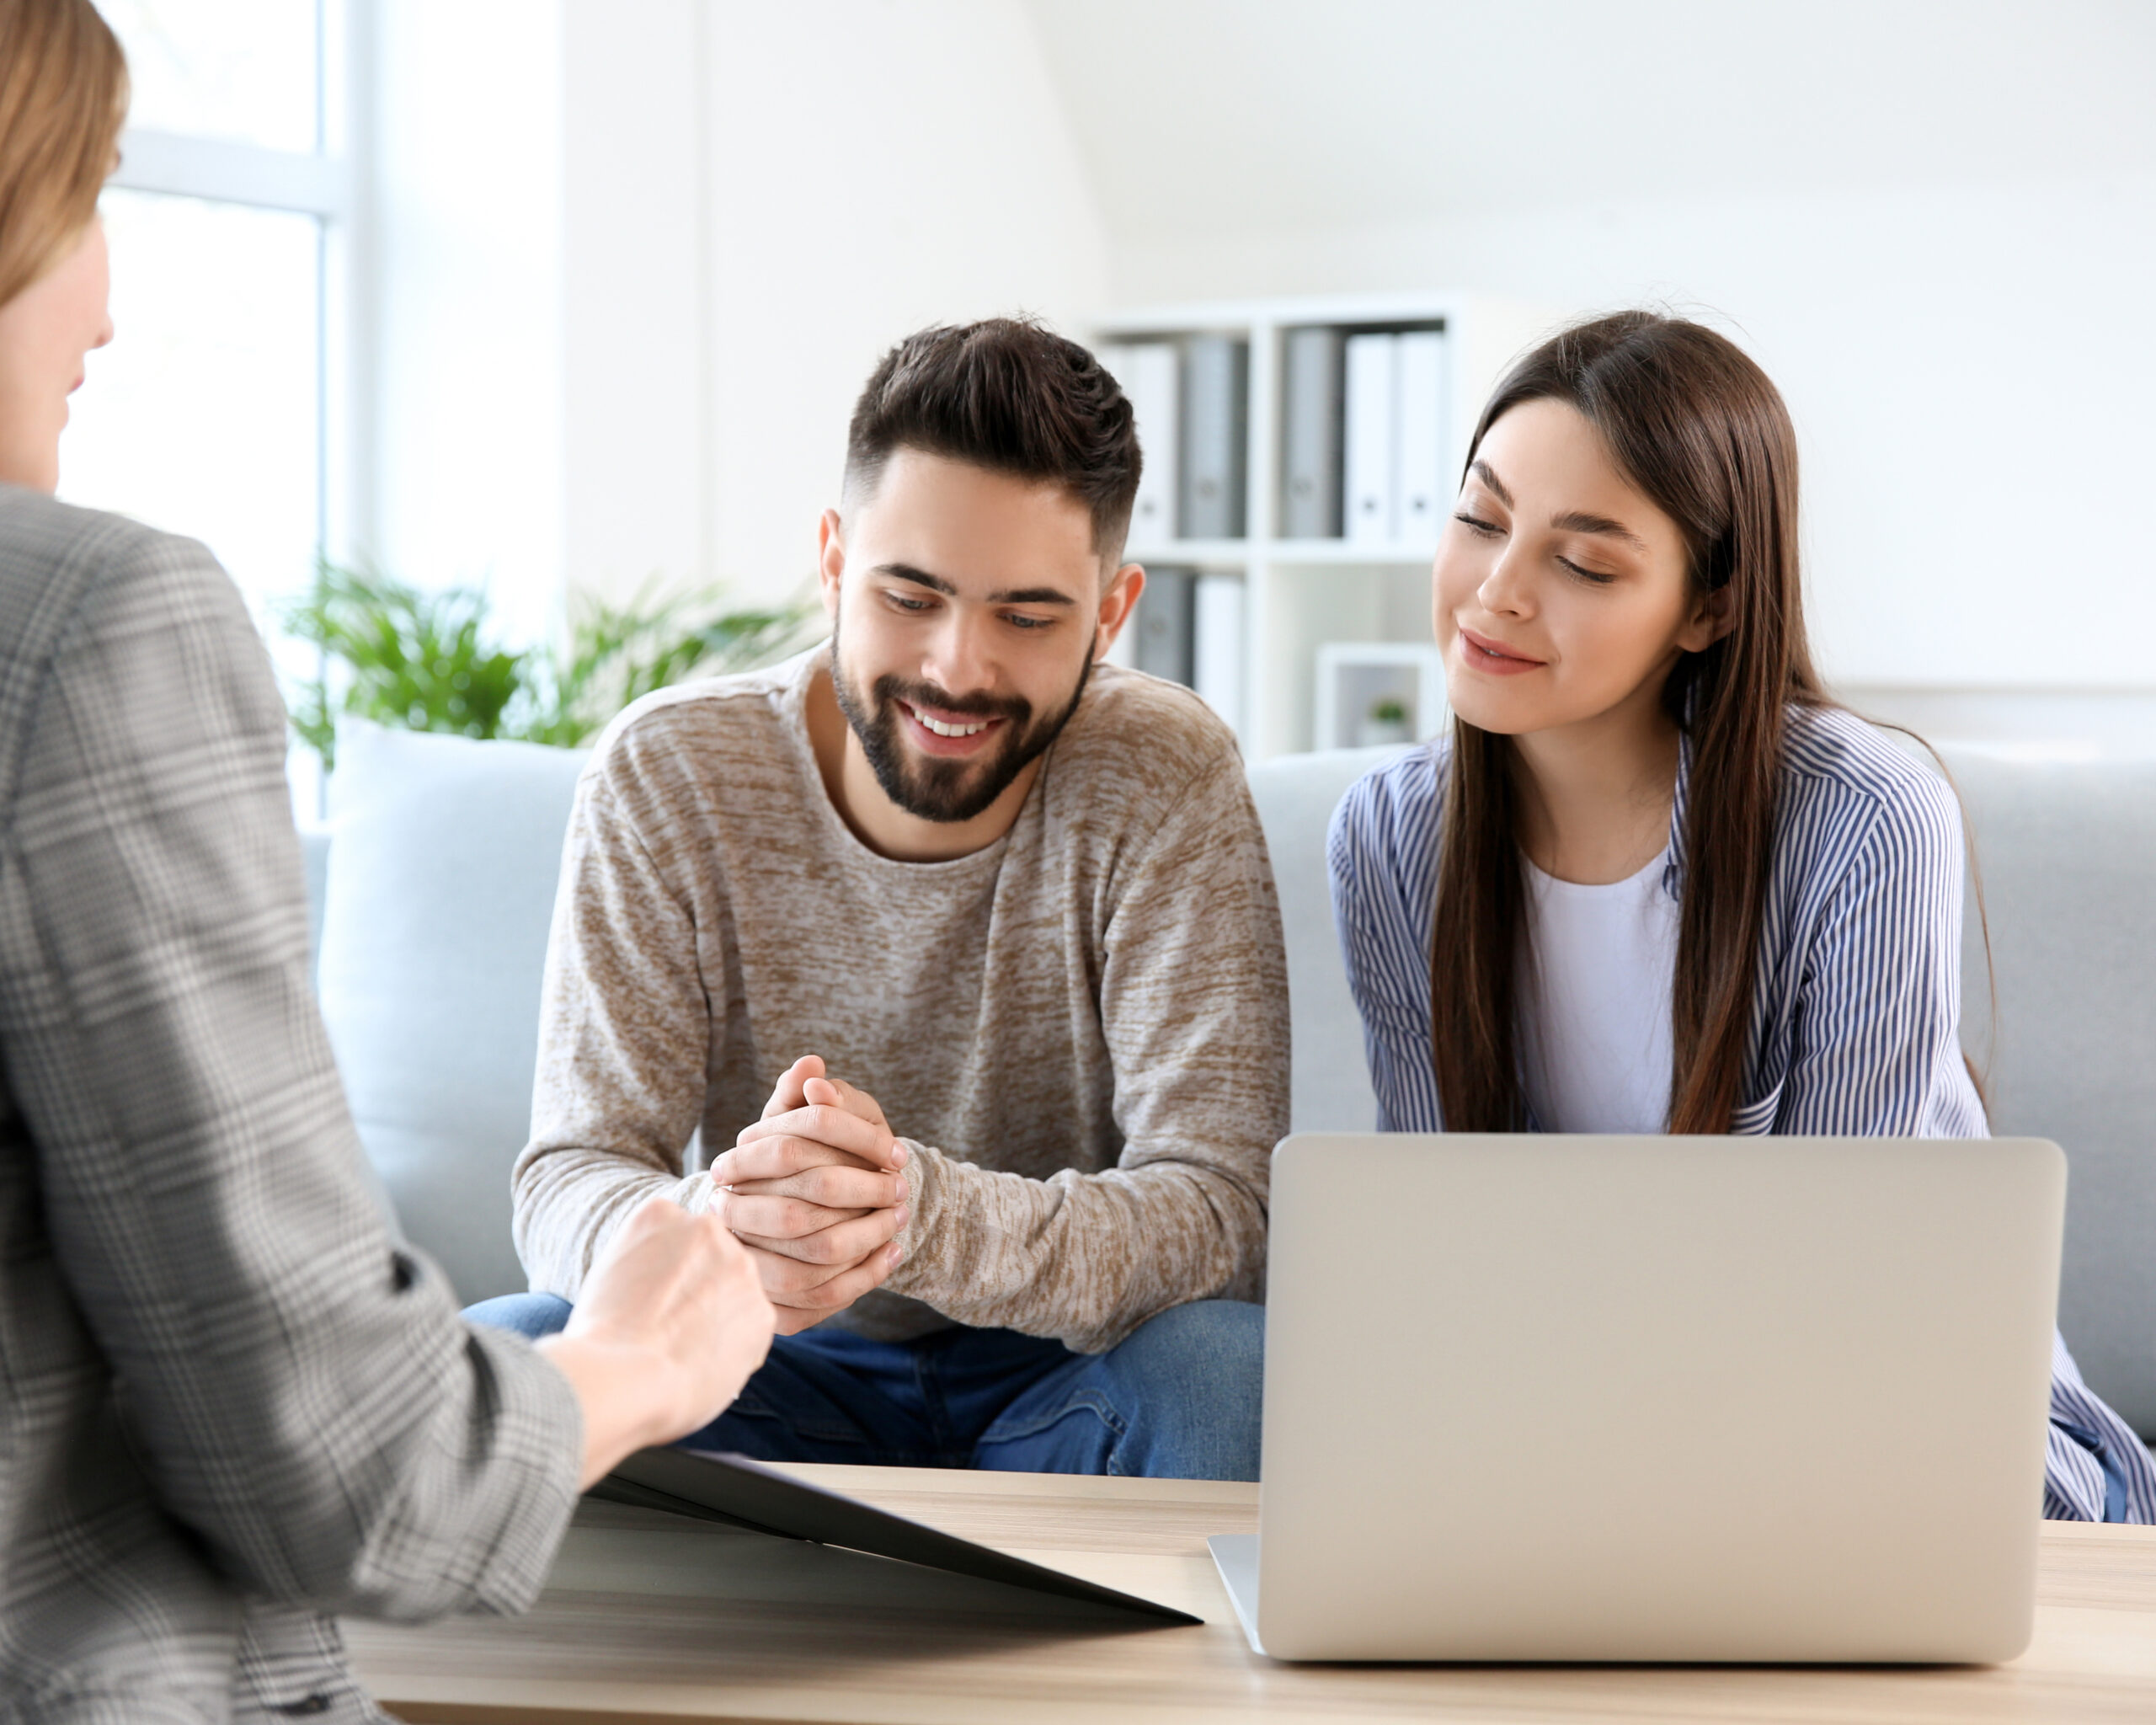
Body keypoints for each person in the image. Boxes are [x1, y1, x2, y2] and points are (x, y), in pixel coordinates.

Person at [0, 4, 776, 1719]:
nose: (108, 306)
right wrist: (646, 1351)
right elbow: (346, 1463)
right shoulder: (87, 629)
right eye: (89, 197)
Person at [1328, 309, 2155, 1523]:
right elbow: (1443, 1252)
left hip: (1891, 1418)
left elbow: (1838, 1287)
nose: (1494, 594)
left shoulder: (1866, 818)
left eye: (1585, 562)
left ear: (1708, 607)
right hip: (1574, 1426)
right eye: (1479, 518)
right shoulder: (1393, 839)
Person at [473, 318, 1287, 1481]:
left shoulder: (1166, 773)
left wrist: (915, 1217)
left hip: (1066, 1380)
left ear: (1112, 614)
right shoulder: (670, 774)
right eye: (911, 596)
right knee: (510, 1357)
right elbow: (572, 1173)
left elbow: (1220, 1214)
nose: (958, 667)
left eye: (1027, 615)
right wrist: (734, 1227)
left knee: (1231, 1373)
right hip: (754, 1359)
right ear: (834, 560)